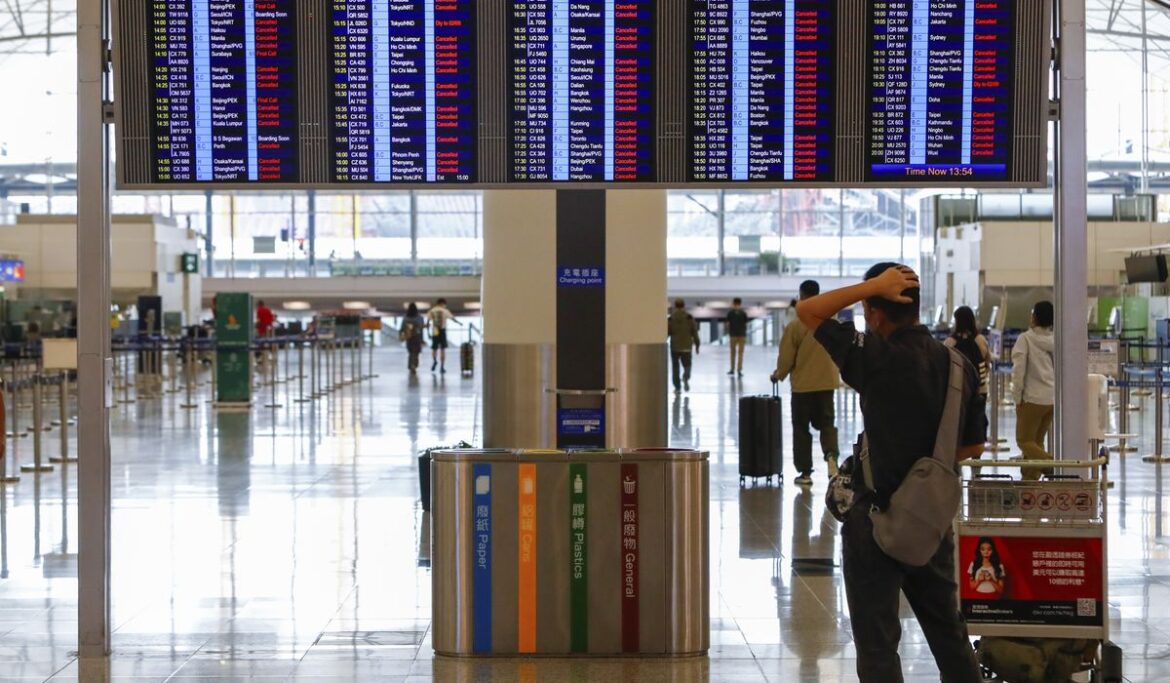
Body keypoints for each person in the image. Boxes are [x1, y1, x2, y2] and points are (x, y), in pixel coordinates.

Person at [796, 263, 986, 683]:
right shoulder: (958, 365)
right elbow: (973, 446)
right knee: (949, 635)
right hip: (930, 523)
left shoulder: (875, 357)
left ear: (874, 312)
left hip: (875, 521)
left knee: (878, 645)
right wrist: (926, 458)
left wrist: (871, 287)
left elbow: (809, 311)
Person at [771, 280, 841, 486]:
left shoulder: (796, 325)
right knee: (827, 424)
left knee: (801, 429)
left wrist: (778, 374)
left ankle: (805, 473)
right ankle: (831, 460)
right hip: (827, 383)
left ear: (801, 296)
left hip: (803, 386)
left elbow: (786, 357)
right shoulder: (831, 322)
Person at [1011, 301, 1055, 481]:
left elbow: (1019, 371)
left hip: (1032, 399)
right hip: (1051, 399)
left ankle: (1050, 464)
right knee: (1036, 442)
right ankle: (1029, 484)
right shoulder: (1055, 340)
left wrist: (1017, 397)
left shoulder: (1025, 339)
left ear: (1035, 317)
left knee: (1024, 441)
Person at [944, 306, 992, 397]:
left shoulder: (949, 342)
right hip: (980, 389)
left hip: (957, 389)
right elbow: (988, 362)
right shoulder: (980, 340)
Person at [667, 299, 700, 392]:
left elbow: (667, 332)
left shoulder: (671, 318)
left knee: (675, 367)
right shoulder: (689, 318)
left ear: (675, 306)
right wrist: (697, 345)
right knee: (687, 365)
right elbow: (694, 332)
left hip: (675, 347)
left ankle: (677, 387)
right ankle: (686, 377)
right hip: (686, 347)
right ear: (684, 305)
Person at [427, 298, 460, 374]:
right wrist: (459, 323)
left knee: (434, 348)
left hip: (435, 330)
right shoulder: (445, 311)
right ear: (442, 304)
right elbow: (452, 318)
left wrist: (428, 333)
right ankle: (442, 367)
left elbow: (428, 321)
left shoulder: (432, 310)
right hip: (442, 330)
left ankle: (435, 360)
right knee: (443, 349)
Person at [400, 303, 427, 374]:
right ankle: (414, 365)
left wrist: (402, 336)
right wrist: (422, 340)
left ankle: (411, 365)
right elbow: (421, 330)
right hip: (417, 337)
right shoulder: (420, 318)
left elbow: (402, 328)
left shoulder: (405, 318)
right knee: (416, 353)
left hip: (409, 337)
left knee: (411, 352)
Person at [726, 298, 749, 376]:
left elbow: (728, 324)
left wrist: (729, 332)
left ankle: (734, 369)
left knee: (735, 353)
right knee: (738, 353)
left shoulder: (731, 313)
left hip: (735, 335)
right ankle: (737, 370)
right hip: (740, 335)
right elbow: (745, 324)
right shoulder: (742, 313)